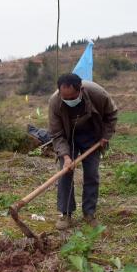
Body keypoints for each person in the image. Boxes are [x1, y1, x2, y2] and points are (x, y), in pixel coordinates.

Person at [48, 73, 118, 230]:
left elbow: (111, 115)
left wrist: (105, 136)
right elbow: (57, 134)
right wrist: (66, 156)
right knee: (65, 173)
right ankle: (66, 214)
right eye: (65, 98)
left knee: (92, 174)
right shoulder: (55, 102)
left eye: (72, 97)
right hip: (67, 137)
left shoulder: (97, 94)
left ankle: (89, 213)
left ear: (81, 90)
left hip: (92, 135)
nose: (69, 101)